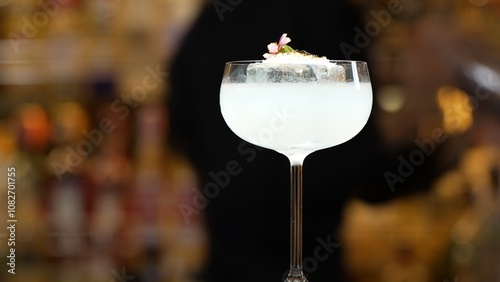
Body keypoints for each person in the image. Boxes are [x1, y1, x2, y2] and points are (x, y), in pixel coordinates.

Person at [167, 1, 387, 281]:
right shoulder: (327, 16)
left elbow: (179, 123)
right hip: (312, 265)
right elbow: (357, 169)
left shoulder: (211, 19)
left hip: (227, 264)